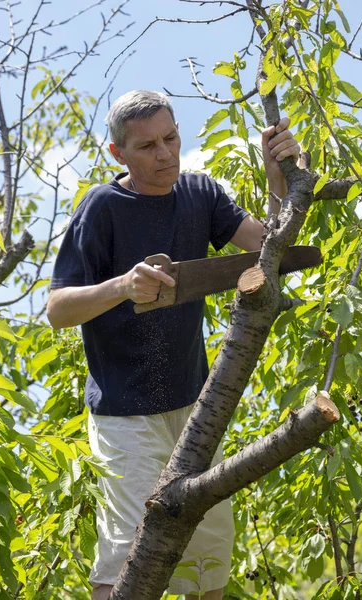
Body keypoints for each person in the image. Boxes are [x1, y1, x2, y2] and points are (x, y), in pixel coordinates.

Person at [47, 90, 299, 600]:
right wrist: (120, 287)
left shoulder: (201, 193)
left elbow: (271, 248)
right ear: (118, 153)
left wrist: (279, 182)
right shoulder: (101, 207)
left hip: (196, 408)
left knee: (210, 565)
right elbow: (57, 310)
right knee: (128, 563)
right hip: (125, 417)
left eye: (171, 138)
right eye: (147, 146)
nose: (164, 154)